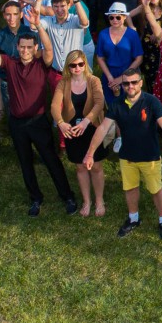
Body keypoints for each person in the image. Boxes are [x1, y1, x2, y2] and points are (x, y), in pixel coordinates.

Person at [0, 21, 78, 216]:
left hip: (39, 122)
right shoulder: (9, 63)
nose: (25, 50)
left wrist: (39, 27)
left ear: (34, 49)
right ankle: (35, 198)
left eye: (28, 47)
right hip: (17, 123)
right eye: (22, 47)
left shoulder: (41, 64)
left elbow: (48, 49)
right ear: (17, 47)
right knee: (25, 163)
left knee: (51, 160)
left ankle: (67, 196)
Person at [87, 68, 162, 239]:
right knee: (130, 188)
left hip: (149, 156)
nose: (130, 86)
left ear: (141, 83)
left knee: (156, 189)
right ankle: (133, 218)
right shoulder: (116, 104)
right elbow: (103, 128)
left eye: (134, 82)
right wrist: (90, 153)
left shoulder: (151, 102)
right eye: (126, 83)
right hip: (127, 157)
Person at [52, 49, 108, 216]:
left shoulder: (94, 80)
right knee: (80, 167)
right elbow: (55, 106)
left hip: (93, 128)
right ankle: (87, 201)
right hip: (73, 131)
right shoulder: (63, 83)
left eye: (80, 64)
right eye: (73, 65)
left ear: (85, 64)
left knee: (96, 166)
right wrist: (61, 123)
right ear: (68, 67)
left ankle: (99, 200)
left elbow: (99, 103)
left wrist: (86, 121)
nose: (77, 68)